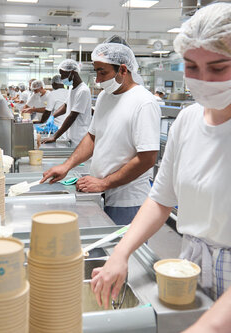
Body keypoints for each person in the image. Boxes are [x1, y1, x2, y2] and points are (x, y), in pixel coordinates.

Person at [90, 4, 231, 332]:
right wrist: (121, 253)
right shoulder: (188, 120)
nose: (204, 79)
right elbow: (160, 199)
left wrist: (208, 327)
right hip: (193, 273)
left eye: (218, 67)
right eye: (192, 66)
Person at [41, 36, 161, 225]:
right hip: (101, 192)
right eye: (96, 72)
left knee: (122, 252)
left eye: (102, 72)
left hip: (128, 201)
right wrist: (67, 165)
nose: (97, 80)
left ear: (123, 69)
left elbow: (147, 158)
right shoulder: (106, 96)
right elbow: (92, 136)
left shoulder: (144, 102)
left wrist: (104, 183)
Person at [41, 59, 92, 145]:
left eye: (63, 75)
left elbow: (72, 116)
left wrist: (55, 136)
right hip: (71, 135)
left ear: (72, 73)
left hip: (79, 137)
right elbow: (65, 106)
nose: (61, 78)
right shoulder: (72, 88)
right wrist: (52, 116)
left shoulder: (83, 91)